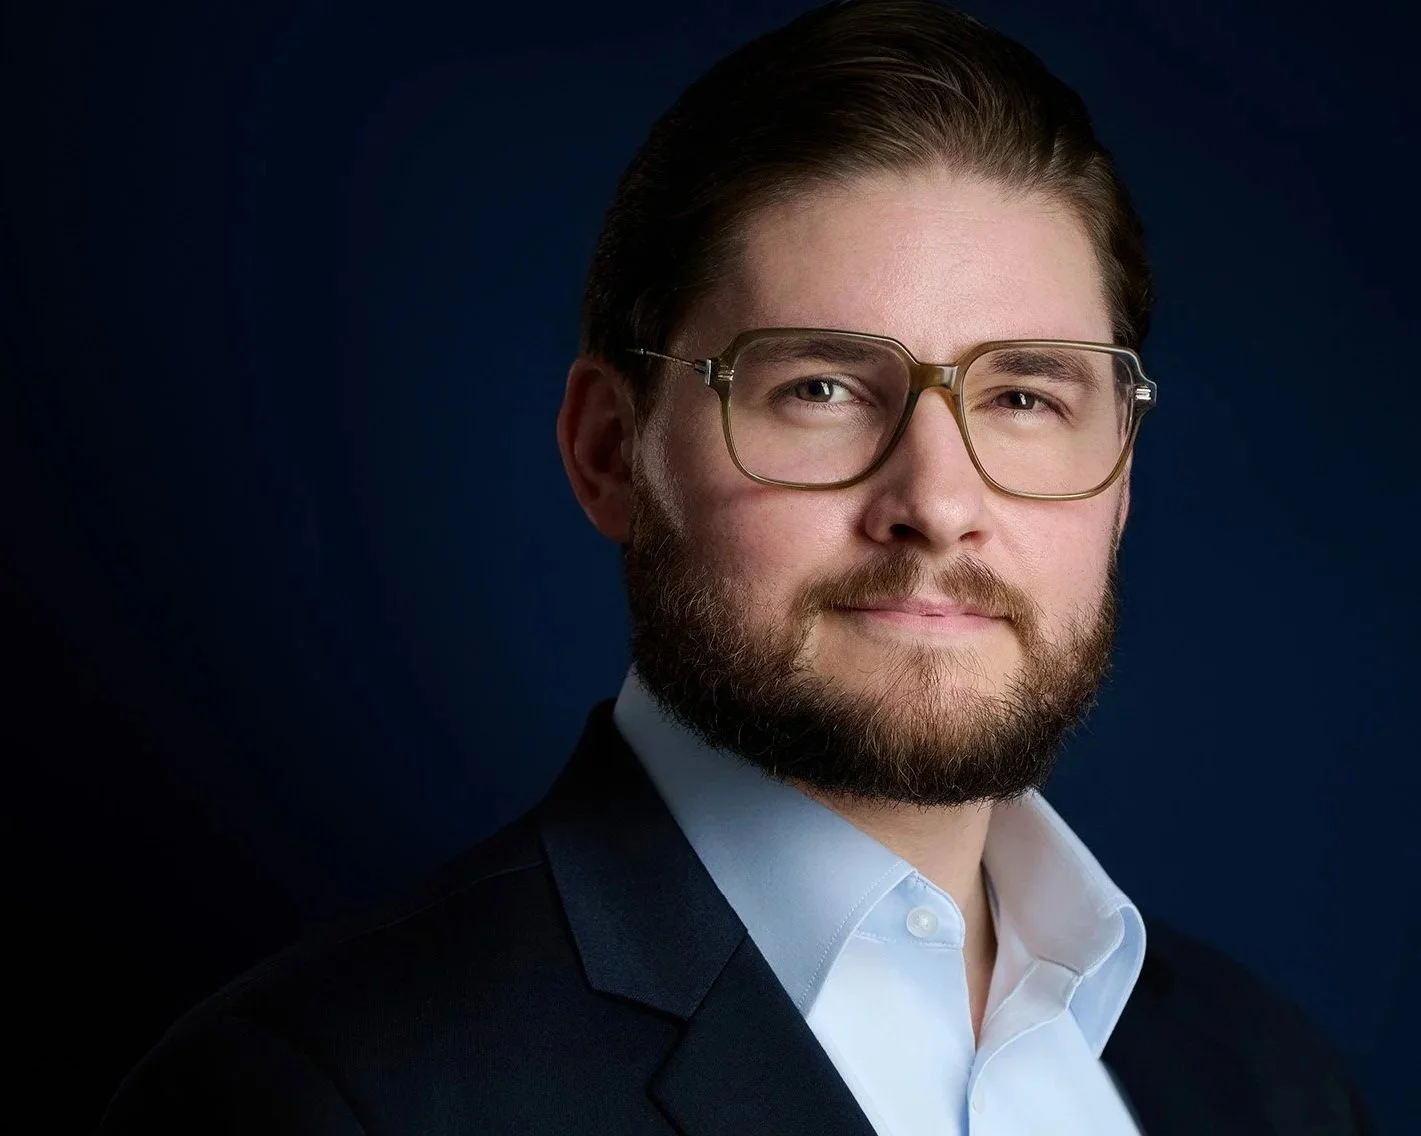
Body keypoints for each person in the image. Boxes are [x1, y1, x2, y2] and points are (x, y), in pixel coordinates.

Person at [102, 2, 1376, 1132]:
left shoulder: (1263, 1078)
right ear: (609, 452)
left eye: (1025, 397)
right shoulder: (321, 1097)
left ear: (1122, 475)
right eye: (817, 387)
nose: (936, 503)